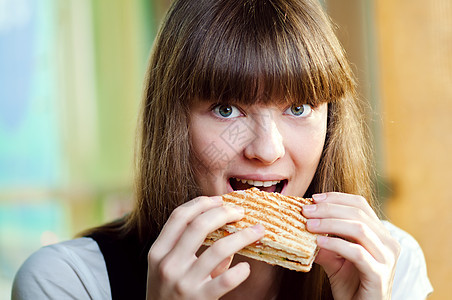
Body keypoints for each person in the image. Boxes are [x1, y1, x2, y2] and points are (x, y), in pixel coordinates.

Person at [12, 0, 433, 299]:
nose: (266, 150)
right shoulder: (69, 282)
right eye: (226, 108)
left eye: (299, 107)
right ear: (172, 121)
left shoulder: (389, 265)